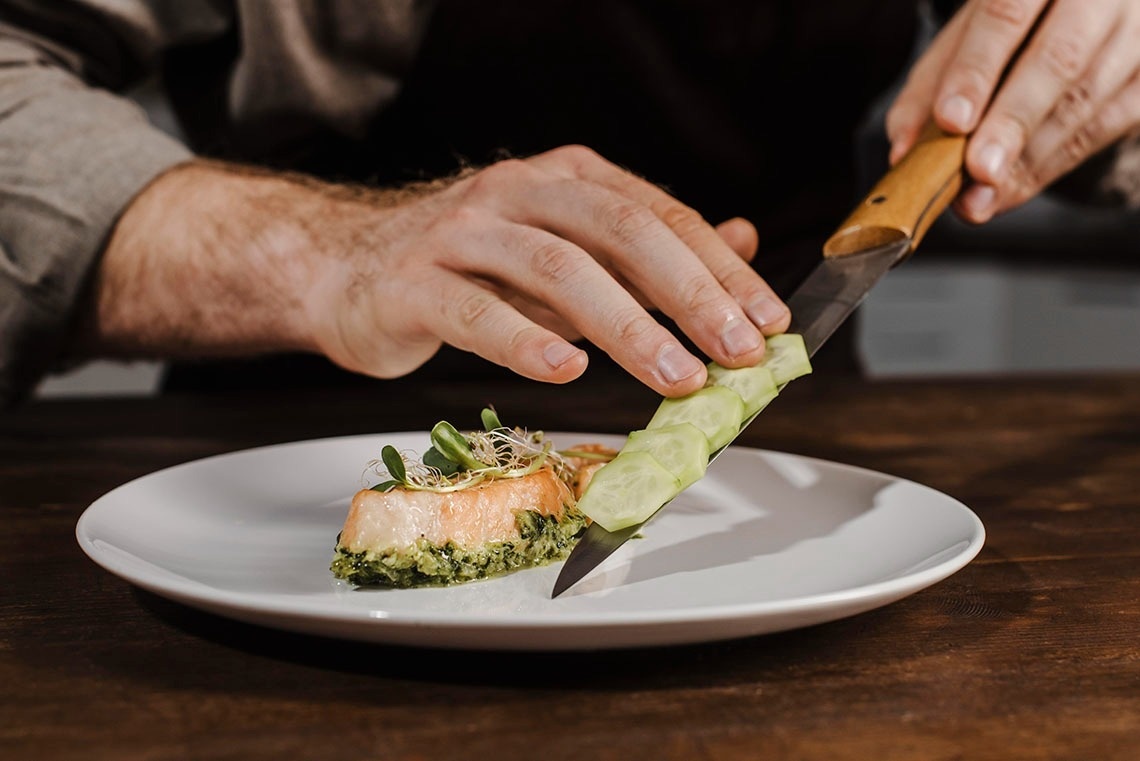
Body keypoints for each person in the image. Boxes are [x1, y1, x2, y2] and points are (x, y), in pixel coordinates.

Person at [1, 0, 1138, 409]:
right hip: (299, 450)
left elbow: (1082, 118)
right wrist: (328, 253)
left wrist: (1097, 74)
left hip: (796, 456)